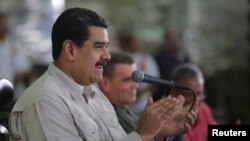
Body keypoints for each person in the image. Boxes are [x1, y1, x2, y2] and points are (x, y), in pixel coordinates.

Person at [9, 7, 197, 141]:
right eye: (98, 47)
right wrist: (142, 135)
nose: (107, 56)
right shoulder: (45, 102)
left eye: (106, 46)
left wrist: (156, 134)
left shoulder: (94, 94)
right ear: (70, 50)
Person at [99, 52, 198, 141]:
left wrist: (161, 133)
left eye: (135, 80)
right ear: (105, 83)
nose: (135, 85)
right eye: (127, 80)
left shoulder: (127, 111)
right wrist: (148, 134)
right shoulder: (104, 117)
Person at [116, 31, 160, 116]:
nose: (137, 45)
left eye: (138, 43)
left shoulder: (147, 59)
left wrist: (140, 92)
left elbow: (155, 83)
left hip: (143, 105)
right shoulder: (122, 58)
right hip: (124, 106)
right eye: (134, 43)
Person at [171, 63, 217, 141]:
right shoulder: (164, 116)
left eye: (200, 93)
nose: (197, 100)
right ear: (174, 92)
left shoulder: (204, 109)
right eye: (190, 94)